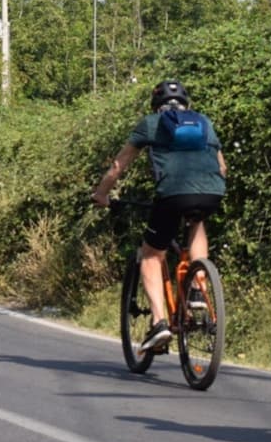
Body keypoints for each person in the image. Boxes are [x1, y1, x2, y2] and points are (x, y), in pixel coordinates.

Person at [92, 79, 227, 353]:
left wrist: (101, 194)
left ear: (156, 105)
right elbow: (222, 166)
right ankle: (198, 290)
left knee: (152, 254)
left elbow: (119, 165)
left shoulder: (151, 123)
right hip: (212, 191)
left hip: (173, 194)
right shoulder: (204, 122)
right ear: (186, 104)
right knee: (197, 223)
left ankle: (159, 322)